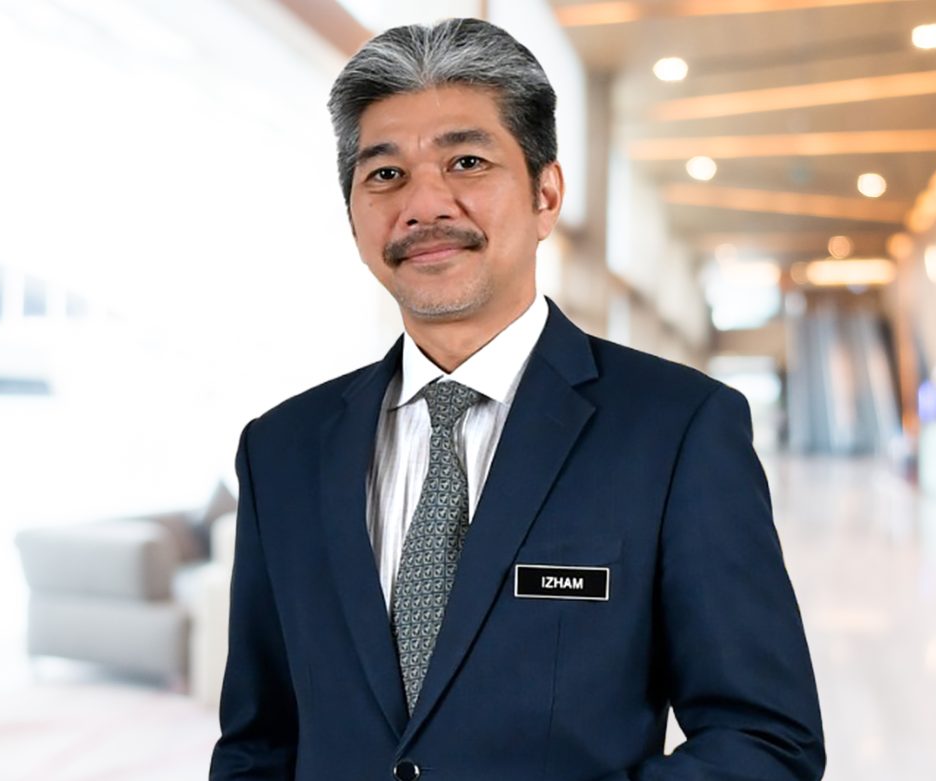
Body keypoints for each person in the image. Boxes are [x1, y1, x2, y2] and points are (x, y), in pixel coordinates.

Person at [209, 18, 823, 781]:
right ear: (353, 214)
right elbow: (259, 742)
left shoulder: (677, 431)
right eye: (386, 174)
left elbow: (765, 739)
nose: (424, 204)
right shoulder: (281, 450)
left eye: (466, 161)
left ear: (546, 194)